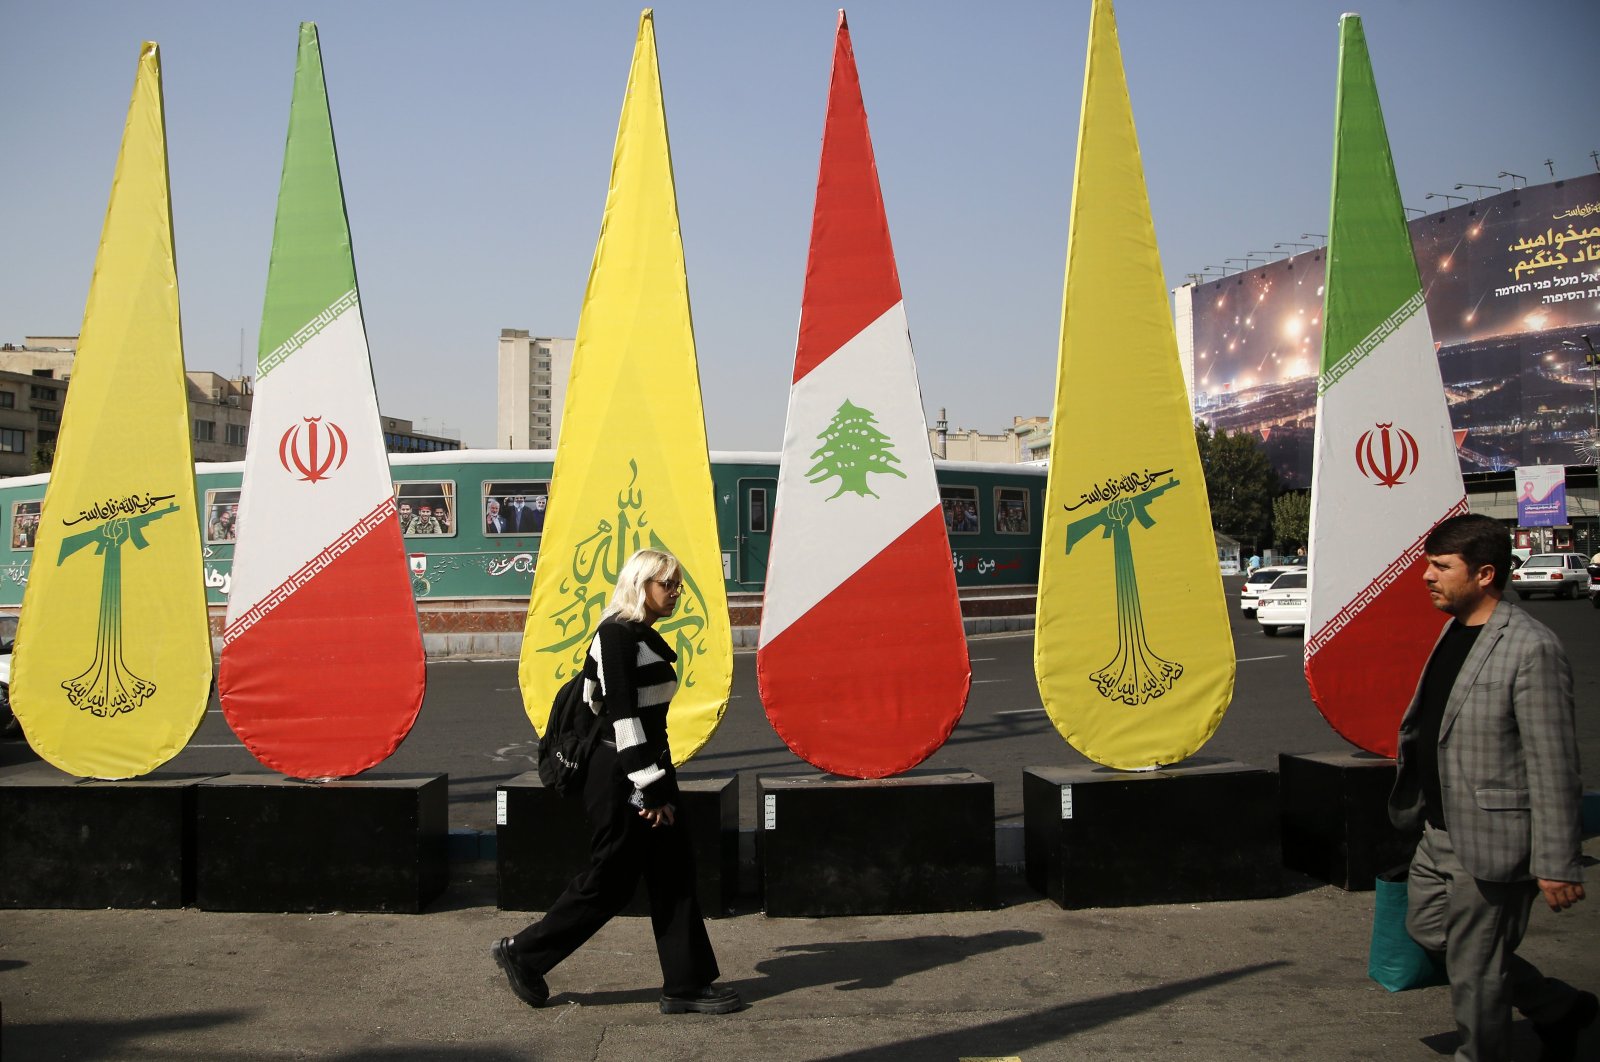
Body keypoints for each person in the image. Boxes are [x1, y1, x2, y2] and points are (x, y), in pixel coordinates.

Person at [492, 548, 738, 1016]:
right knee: (610, 880)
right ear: (640, 584)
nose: (676, 593)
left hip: (643, 767)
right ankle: (523, 953)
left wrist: (661, 782)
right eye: (667, 584)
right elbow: (623, 720)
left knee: (673, 872)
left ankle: (686, 984)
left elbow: (645, 720)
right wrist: (649, 788)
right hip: (619, 773)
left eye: (678, 585)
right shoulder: (616, 635)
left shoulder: (641, 635)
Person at [1389, 513, 1595, 1061]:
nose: (1426, 577)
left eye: (1441, 567)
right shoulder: (1455, 628)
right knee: (1431, 931)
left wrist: (1556, 861)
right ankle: (1557, 1008)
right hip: (1438, 830)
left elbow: (1554, 762)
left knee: (1477, 972)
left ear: (1484, 574)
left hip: (1492, 838)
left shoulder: (1531, 648)